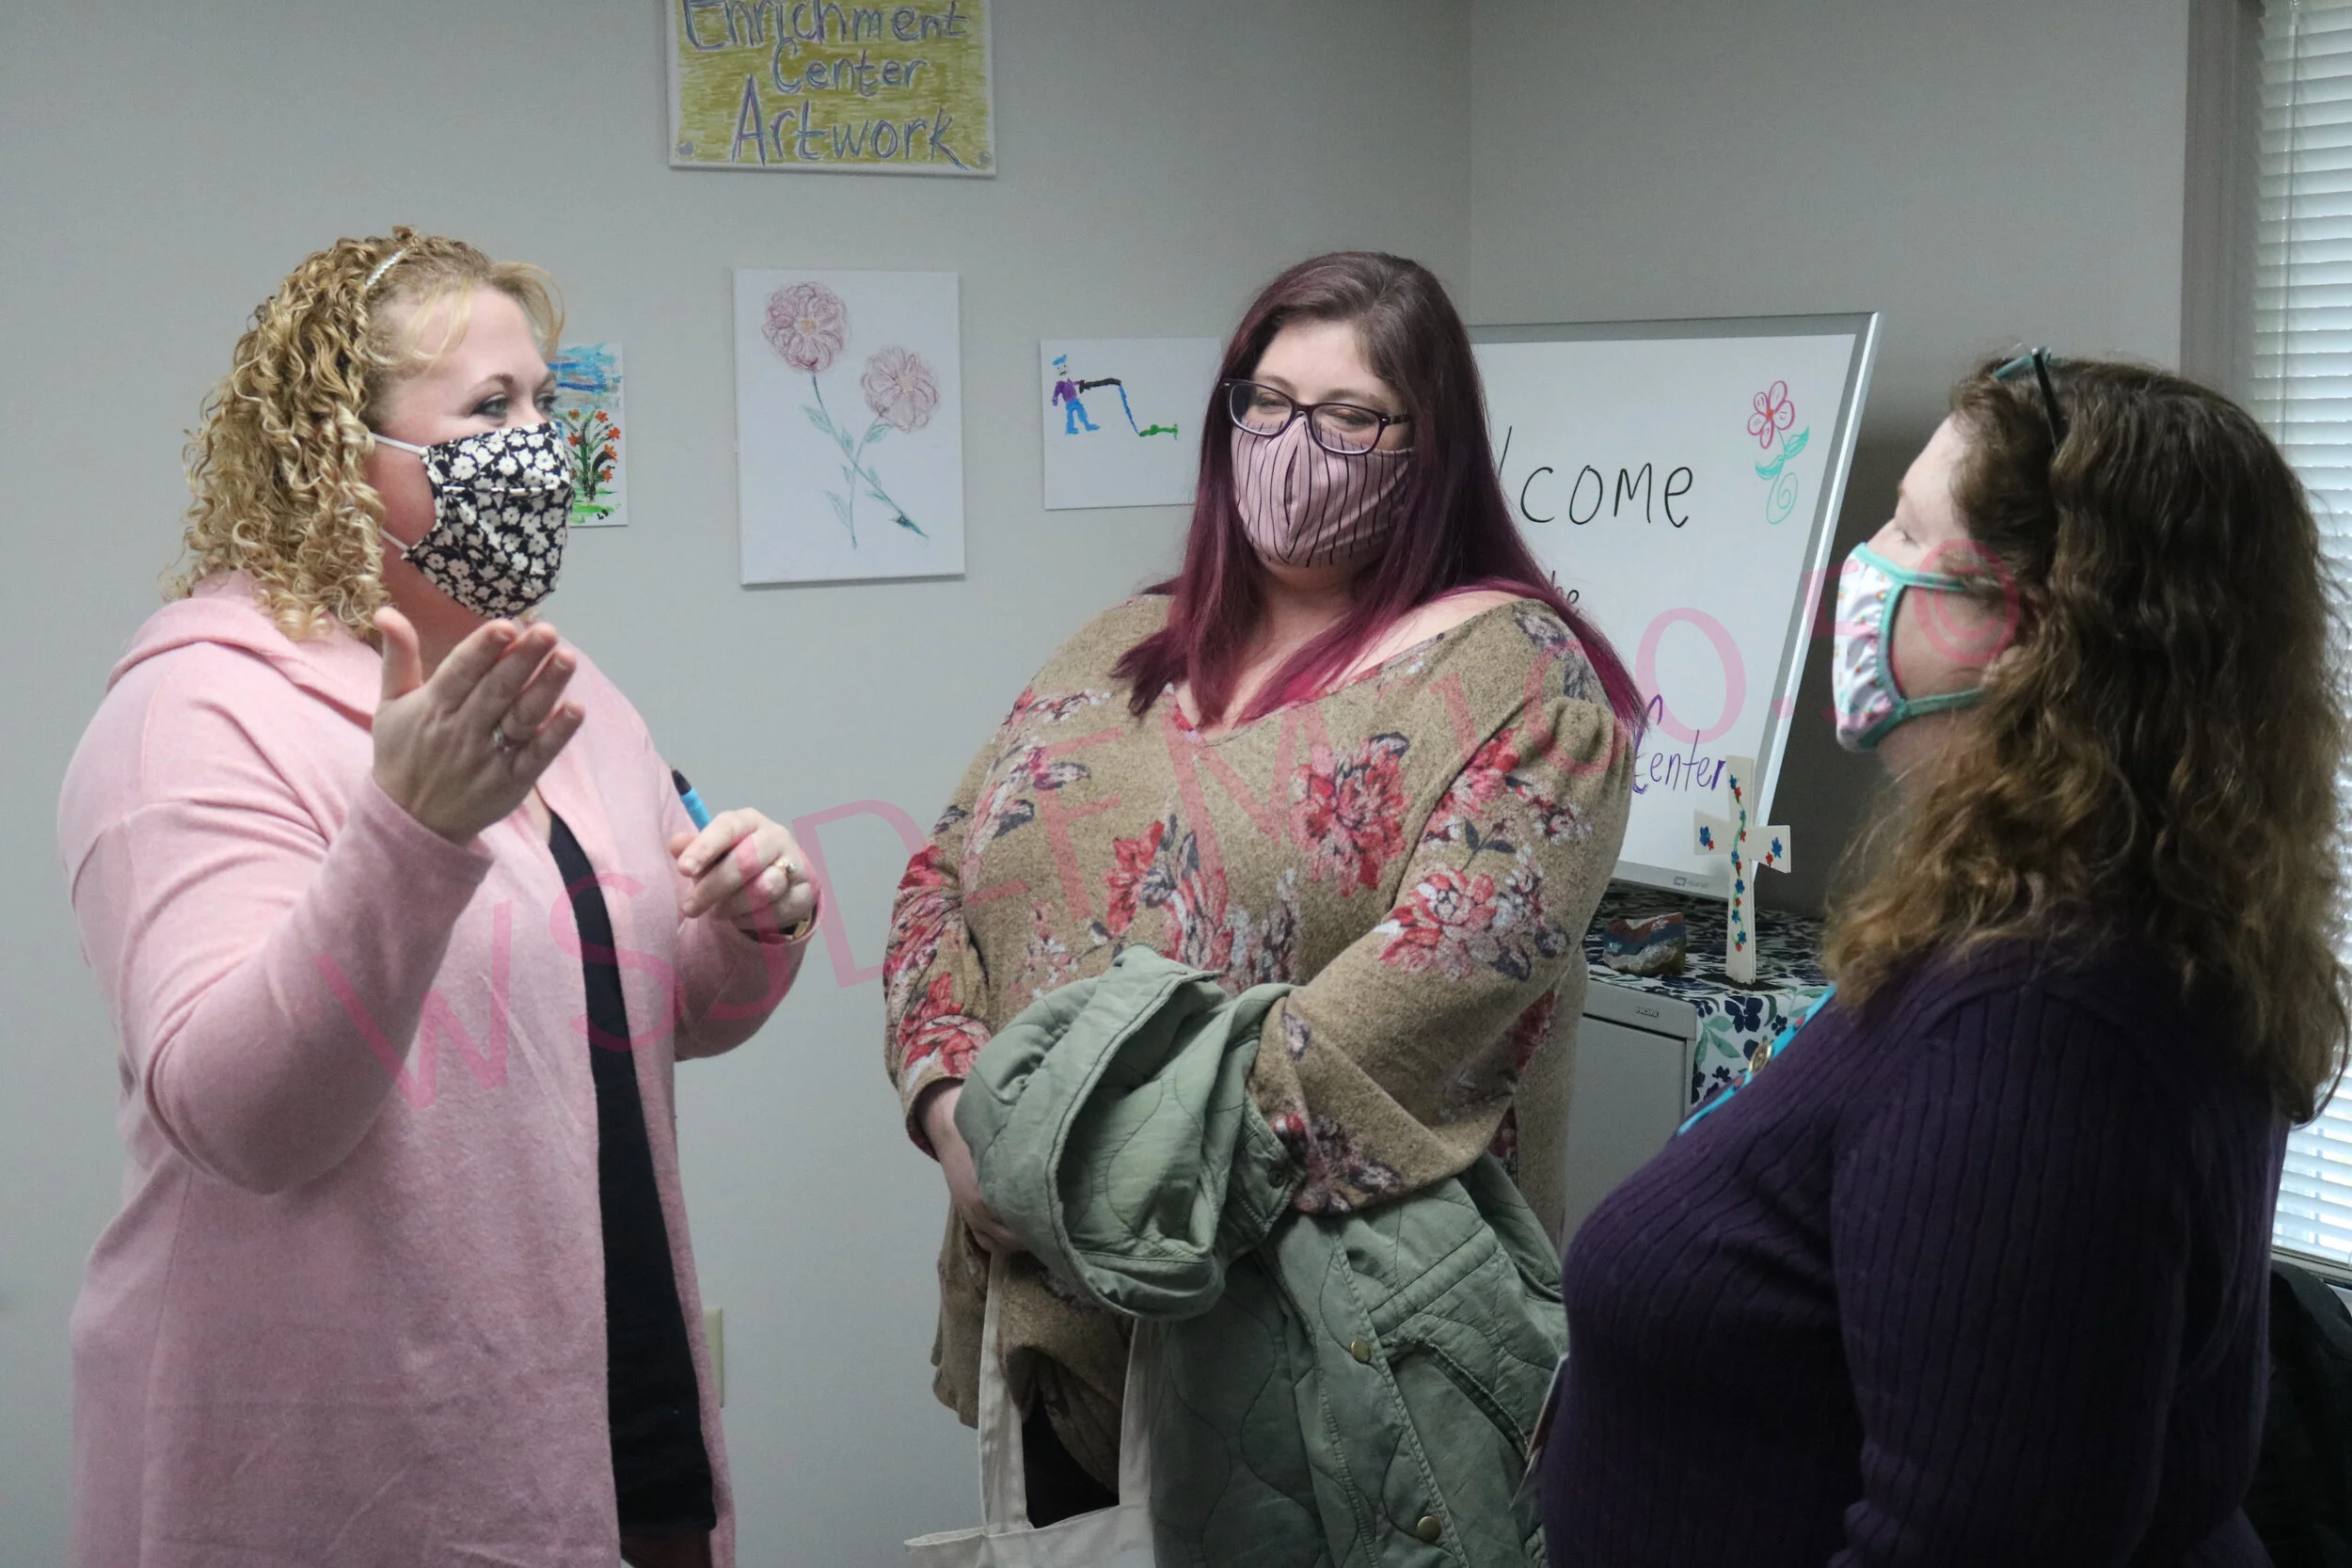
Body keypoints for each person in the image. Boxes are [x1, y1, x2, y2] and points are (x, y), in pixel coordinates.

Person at [56, 229, 818, 1568]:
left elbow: (637, 1011)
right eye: (487, 410)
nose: (536, 443)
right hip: (343, 1456)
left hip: (600, 1398)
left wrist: (747, 928)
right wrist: (408, 831)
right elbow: (243, 1117)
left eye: (544, 404)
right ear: (340, 459)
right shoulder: (193, 711)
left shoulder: (553, 688)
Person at [1538, 353, 2347, 1565]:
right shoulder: (2112, 912)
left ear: (2030, 637)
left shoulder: (2039, 1032)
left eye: (1909, 530)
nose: (1858, 567)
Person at [884, 250, 1645, 1528]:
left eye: (1349, 416)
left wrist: (1054, 1178)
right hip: (1063, 1348)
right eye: (1268, 402)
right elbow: (938, 881)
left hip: (1327, 1393)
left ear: (1429, 444)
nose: (1298, 443)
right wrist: (953, 1111)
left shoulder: (1522, 686)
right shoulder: (1121, 642)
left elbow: (1389, 1035)